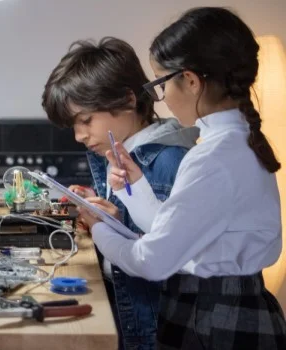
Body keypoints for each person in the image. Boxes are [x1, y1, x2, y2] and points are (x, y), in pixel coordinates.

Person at [81, 7, 286, 349]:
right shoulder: (235, 143)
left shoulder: (213, 157)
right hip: (231, 311)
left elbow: (152, 261)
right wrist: (137, 189)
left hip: (213, 320)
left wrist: (98, 227)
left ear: (190, 81)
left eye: (161, 84)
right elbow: (180, 232)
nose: (162, 99)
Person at [41, 37, 199, 349]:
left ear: (128, 100)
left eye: (85, 120)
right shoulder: (123, 152)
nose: (79, 135)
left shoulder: (168, 161)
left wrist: (117, 228)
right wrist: (101, 208)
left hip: (155, 330)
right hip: (130, 315)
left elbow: (177, 262)